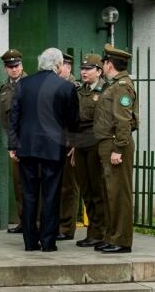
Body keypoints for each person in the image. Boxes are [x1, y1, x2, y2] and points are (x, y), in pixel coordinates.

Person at [8, 47, 79, 252]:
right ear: (58, 65)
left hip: (26, 147)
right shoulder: (66, 87)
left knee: (29, 194)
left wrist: (13, 145)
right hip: (53, 148)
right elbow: (73, 120)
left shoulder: (23, 84)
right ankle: (48, 242)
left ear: (40, 63)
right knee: (51, 195)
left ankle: (30, 242)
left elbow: (15, 117)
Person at [93, 44, 138, 253]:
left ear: (109, 64)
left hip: (115, 144)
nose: (103, 65)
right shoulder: (114, 84)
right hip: (108, 143)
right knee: (110, 192)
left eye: (104, 62)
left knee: (119, 193)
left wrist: (119, 148)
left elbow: (123, 121)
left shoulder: (121, 86)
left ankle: (121, 240)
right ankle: (112, 236)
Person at [72, 54, 107, 248]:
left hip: (95, 143)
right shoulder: (80, 90)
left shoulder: (106, 90)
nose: (84, 72)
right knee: (85, 188)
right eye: (82, 69)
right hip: (81, 144)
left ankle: (100, 231)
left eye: (89, 69)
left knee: (97, 189)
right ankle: (92, 231)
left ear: (99, 71)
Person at [0, 49, 27, 234]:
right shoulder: (5, 88)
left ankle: (36, 221)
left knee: (32, 183)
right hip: (14, 141)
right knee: (18, 183)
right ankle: (23, 221)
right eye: (10, 67)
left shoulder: (29, 84)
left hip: (29, 140)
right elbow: (5, 117)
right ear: (5, 69)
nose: (14, 70)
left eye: (16, 66)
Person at [57, 52, 80, 241]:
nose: (57, 69)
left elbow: (79, 119)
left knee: (68, 187)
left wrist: (74, 142)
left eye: (61, 65)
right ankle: (57, 224)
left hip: (69, 143)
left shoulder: (75, 87)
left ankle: (66, 227)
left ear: (68, 67)